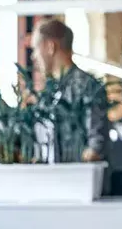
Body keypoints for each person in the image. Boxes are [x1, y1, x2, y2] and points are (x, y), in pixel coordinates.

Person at [31, 19, 109, 163]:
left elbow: (96, 146)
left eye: (36, 48)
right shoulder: (48, 94)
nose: (33, 56)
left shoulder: (87, 87)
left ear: (50, 46)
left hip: (79, 180)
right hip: (52, 180)